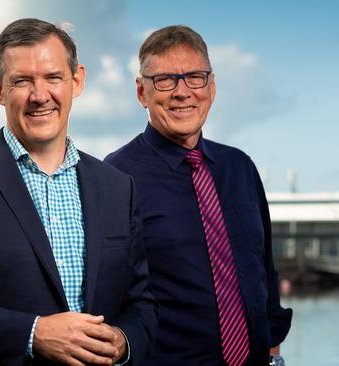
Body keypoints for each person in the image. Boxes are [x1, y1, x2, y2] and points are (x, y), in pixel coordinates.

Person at [0, 18, 156, 365]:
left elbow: (140, 304)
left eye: (53, 78)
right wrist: (33, 334)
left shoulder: (117, 186)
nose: (40, 96)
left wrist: (123, 342)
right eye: (22, 81)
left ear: (76, 80)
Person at [105, 25, 292, 366]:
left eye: (194, 77)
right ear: (141, 92)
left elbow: (264, 269)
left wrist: (273, 352)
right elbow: (109, 296)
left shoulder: (240, 167)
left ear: (212, 86)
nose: (182, 92)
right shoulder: (115, 177)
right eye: (164, 79)